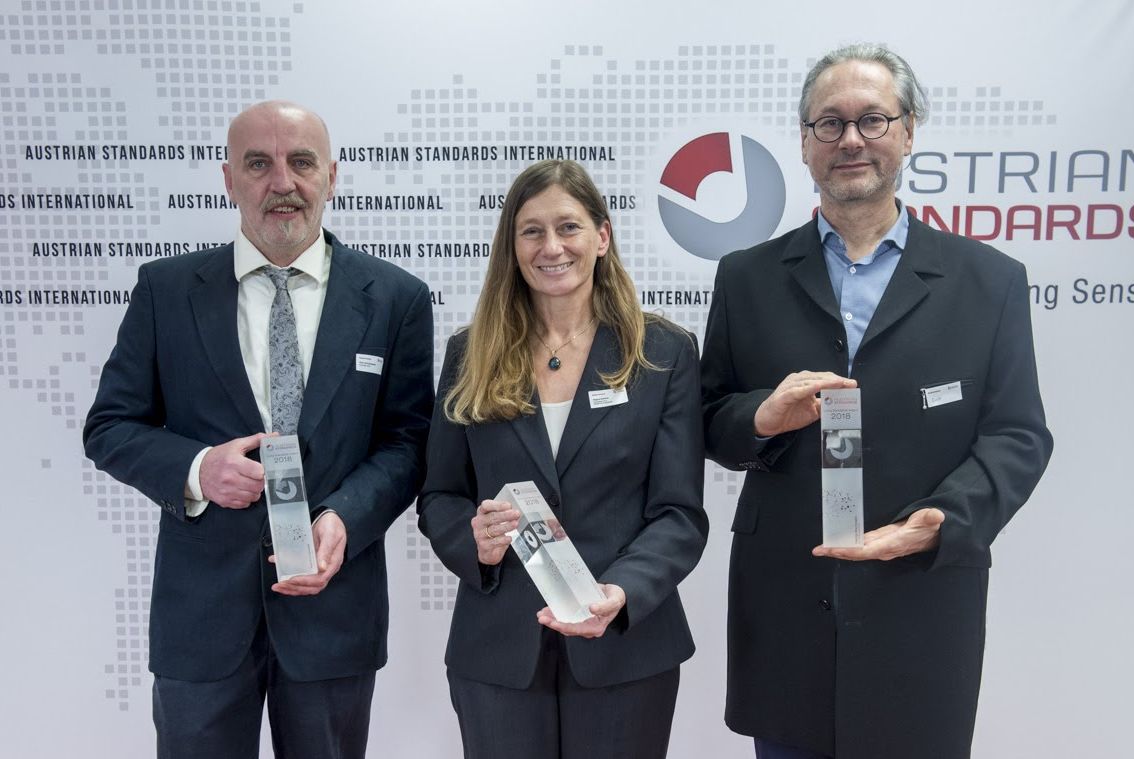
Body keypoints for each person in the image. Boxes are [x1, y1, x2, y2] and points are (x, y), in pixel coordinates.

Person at [700, 44, 1052, 759]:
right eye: (829, 123)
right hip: (786, 603)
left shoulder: (988, 281)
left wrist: (942, 521)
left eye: (872, 119)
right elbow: (708, 419)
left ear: (908, 130)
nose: (851, 139)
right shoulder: (745, 277)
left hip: (920, 597)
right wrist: (761, 417)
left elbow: (1018, 434)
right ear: (804, 141)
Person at [83, 100, 434, 759]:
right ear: (228, 179)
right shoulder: (166, 290)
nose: (282, 182)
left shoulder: (396, 298)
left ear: (331, 175)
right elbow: (109, 426)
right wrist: (198, 470)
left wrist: (346, 517)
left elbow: (408, 441)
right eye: (258, 164)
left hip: (334, 611)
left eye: (301, 162)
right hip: (201, 618)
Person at [418, 160, 708, 759]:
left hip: (625, 648)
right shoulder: (469, 353)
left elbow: (679, 513)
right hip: (498, 650)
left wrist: (622, 591)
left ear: (602, 236)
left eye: (568, 227)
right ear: (512, 245)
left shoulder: (663, 352)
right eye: (532, 231)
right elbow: (440, 494)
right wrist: (475, 541)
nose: (551, 247)